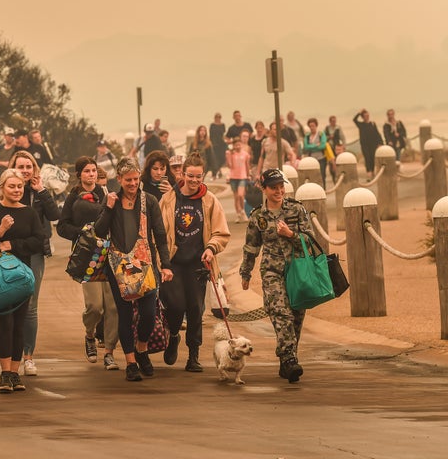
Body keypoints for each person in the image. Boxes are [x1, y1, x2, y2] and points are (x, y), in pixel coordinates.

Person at [94, 157, 173, 382]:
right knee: (126, 315)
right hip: (119, 267)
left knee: (148, 313)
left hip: (145, 264)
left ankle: (141, 349)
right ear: (119, 179)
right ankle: (130, 362)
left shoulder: (149, 201)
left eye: (136, 179)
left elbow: (159, 234)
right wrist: (108, 208)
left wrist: (165, 265)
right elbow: (99, 231)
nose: (133, 184)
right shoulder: (112, 201)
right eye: (128, 180)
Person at [239, 168, 313, 383]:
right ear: (264, 189)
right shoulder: (258, 216)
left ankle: (287, 361)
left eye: (281, 186)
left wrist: (291, 234)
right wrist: (246, 273)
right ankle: (289, 359)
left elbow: (310, 239)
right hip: (272, 272)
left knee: (296, 317)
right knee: (281, 314)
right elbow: (251, 246)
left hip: (297, 270)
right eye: (273, 187)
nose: (279, 190)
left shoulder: (297, 210)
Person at [0, 150, 59, 376]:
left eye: (29, 167)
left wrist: (42, 191)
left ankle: (28, 356)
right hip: (6, 255)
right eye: (21, 167)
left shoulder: (39, 192)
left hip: (34, 253)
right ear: (12, 169)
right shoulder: (1, 190)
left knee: (30, 307)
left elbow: (54, 215)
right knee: (9, 307)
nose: (26, 171)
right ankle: (9, 360)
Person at [159, 152, 230, 372]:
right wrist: (161, 261)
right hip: (174, 262)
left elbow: (221, 232)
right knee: (176, 305)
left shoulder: (209, 200)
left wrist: (211, 248)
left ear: (203, 176)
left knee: (195, 310)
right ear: (183, 174)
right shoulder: (169, 198)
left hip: (199, 263)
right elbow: (158, 231)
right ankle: (172, 337)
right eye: (190, 176)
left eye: (198, 176)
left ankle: (193, 355)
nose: (194, 180)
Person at [0, 169, 45, 393]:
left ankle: (15, 373)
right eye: (12, 186)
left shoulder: (30, 213)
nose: (16, 190)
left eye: (19, 187)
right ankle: (5, 373)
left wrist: (13, 244)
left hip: (23, 275)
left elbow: (39, 241)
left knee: (19, 323)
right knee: (5, 323)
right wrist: (0, 231)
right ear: (2, 188)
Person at [56, 157, 120, 371]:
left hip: (109, 255)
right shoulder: (72, 198)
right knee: (95, 306)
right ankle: (90, 335)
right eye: (87, 171)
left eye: (94, 171)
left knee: (112, 306)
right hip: (87, 258)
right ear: (79, 175)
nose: (91, 174)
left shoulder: (106, 195)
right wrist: (83, 234)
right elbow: (62, 227)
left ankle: (109, 351)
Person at [353, 109, 384, 180]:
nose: (367, 117)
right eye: (365, 116)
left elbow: (377, 134)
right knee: (367, 158)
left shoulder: (372, 123)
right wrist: (359, 113)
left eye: (368, 115)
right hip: (365, 145)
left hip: (373, 144)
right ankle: (369, 172)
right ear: (363, 117)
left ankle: (372, 171)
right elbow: (354, 120)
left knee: (372, 158)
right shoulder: (361, 125)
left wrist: (380, 143)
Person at [225, 137, 251, 223]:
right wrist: (228, 156)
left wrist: (248, 175)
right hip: (233, 177)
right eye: (236, 145)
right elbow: (229, 166)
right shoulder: (231, 154)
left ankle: (242, 210)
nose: (238, 146)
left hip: (242, 177)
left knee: (240, 195)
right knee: (236, 197)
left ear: (241, 145)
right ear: (233, 145)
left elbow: (247, 166)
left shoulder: (245, 154)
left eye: (239, 144)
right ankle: (238, 214)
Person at [302, 118, 328, 187]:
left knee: (322, 175)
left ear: (316, 126)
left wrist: (311, 147)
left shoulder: (321, 134)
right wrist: (316, 145)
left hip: (321, 158)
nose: (311, 128)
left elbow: (323, 146)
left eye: (313, 126)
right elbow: (306, 147)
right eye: (310, 126)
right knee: (312, 176)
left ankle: (323, 189)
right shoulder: (307, 136)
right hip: (311, 159)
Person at [209, 113, 227, 179]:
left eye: (219, 117)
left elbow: (223, 134)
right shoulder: (212, 125)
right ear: (214, 118)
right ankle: (215, 172)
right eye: (216, 117)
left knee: (222, 158)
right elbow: (210, 135)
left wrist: (225, 141)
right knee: (215, 159)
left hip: (221, 144)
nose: (218, 118)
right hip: (214, 144)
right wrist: (210, 143)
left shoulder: (223, 125)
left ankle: (218, 170)